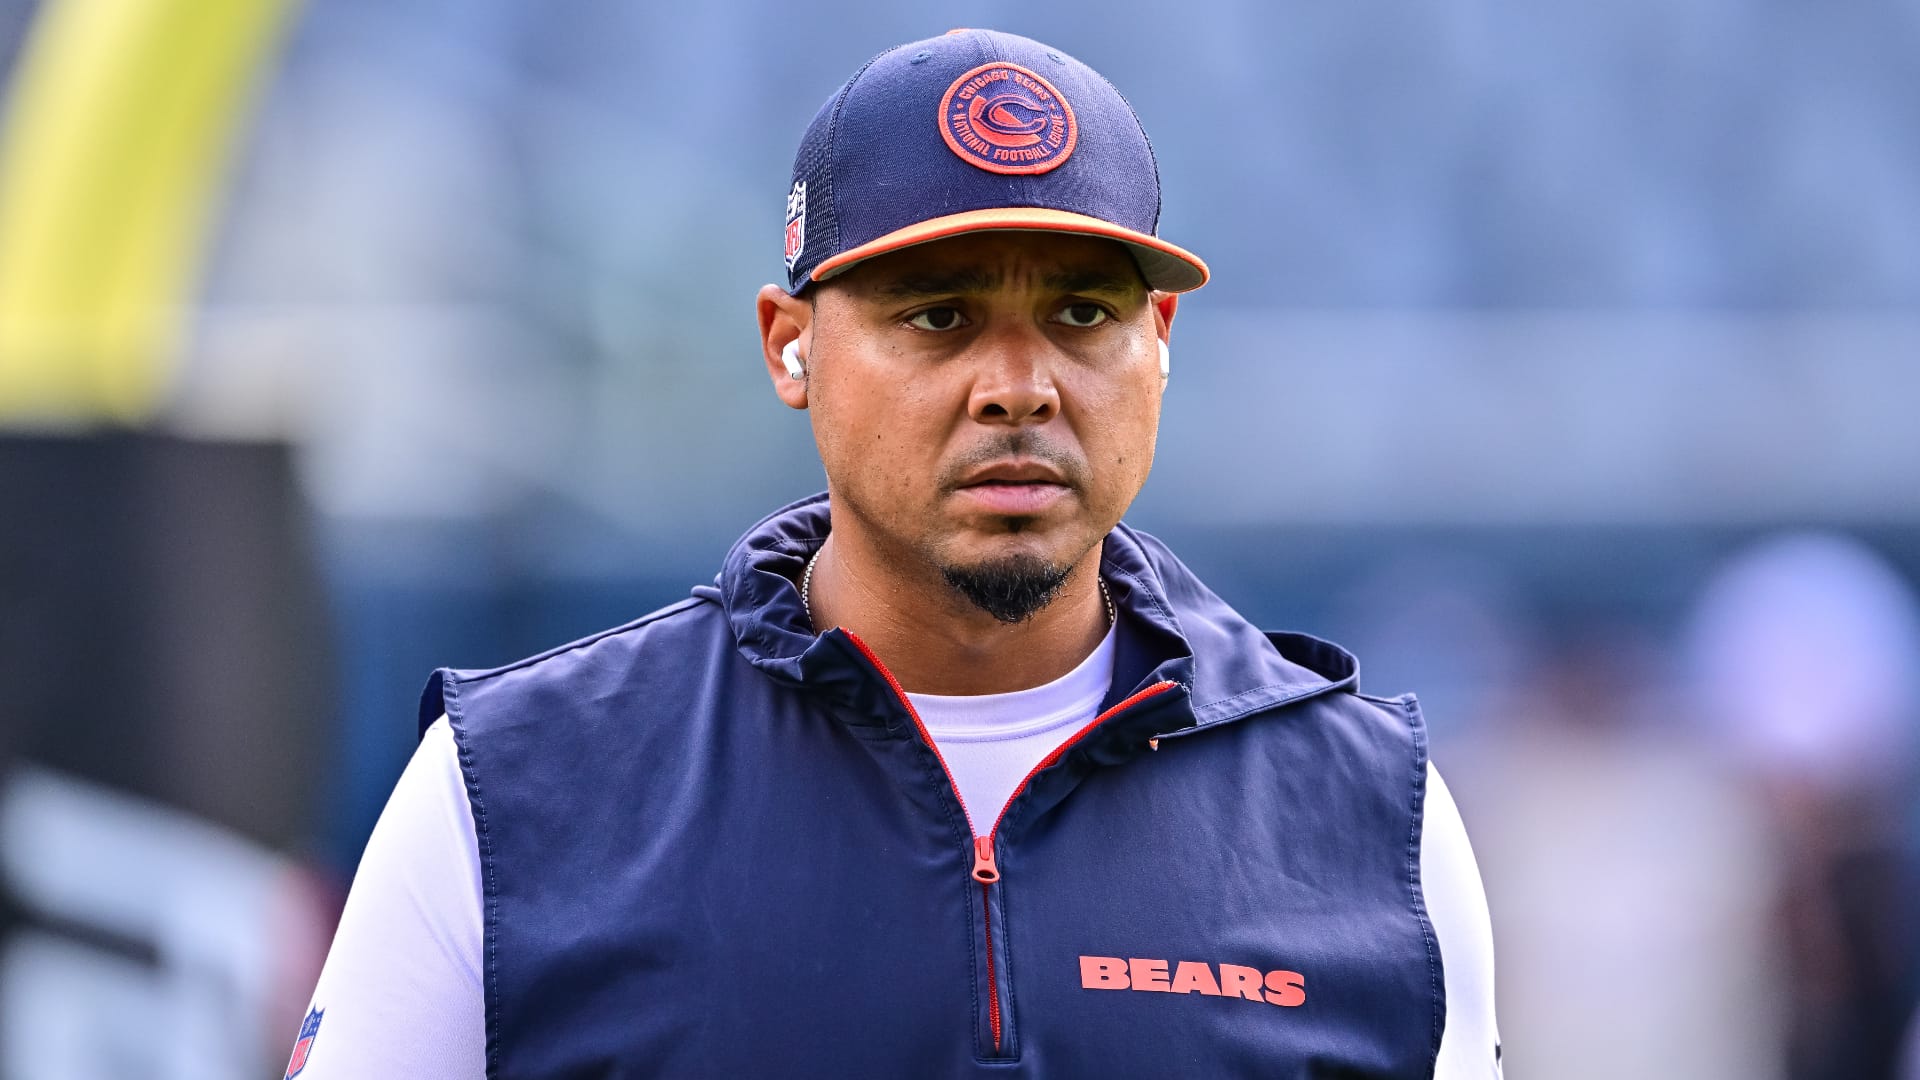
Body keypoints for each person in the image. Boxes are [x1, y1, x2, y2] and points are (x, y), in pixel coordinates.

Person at [289, 28, 1501, 1079]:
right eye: (939, 316)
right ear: (789, 345)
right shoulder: (516, 788)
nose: (1018, 388)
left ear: (1162, 341)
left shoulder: (1369, 811)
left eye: (1084, 314)